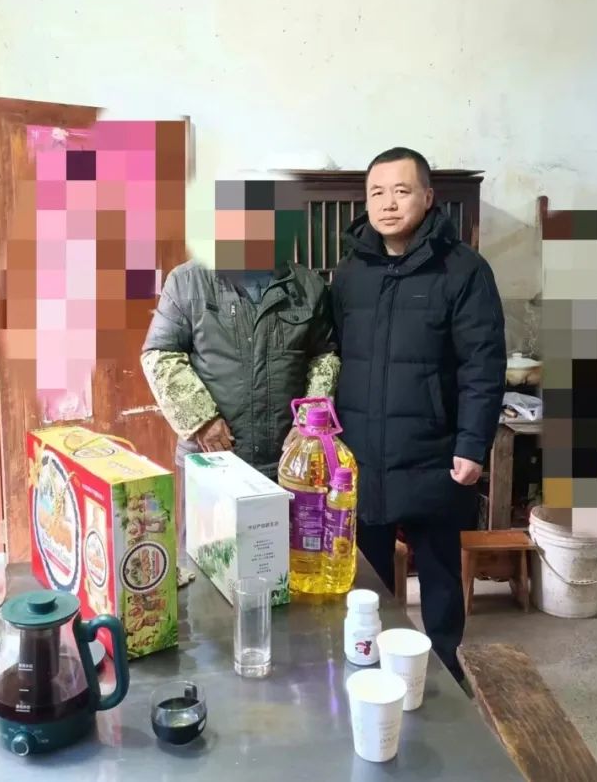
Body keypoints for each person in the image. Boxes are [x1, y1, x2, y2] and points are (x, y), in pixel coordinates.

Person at [330, 147, 506, 681]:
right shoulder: (350, 272)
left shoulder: (464, 270)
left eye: (402, 191)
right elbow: (334, 356)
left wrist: (472, 444)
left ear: (428, 198)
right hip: (361, 453)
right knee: (367, 581)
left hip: (435, 453)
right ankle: (373, 677)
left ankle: (447, 677)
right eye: (377, 192)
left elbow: (483, 364)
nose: (388, 203)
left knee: (440, 578)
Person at [141, 179, 339, 557]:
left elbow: (324, 355)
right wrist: (201, 419)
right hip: (211, 461)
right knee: (206, 562)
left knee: (278, 563)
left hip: (286, 460)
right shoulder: (188, 281)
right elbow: (160, 353)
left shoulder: (308, 286)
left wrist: (309, 425)